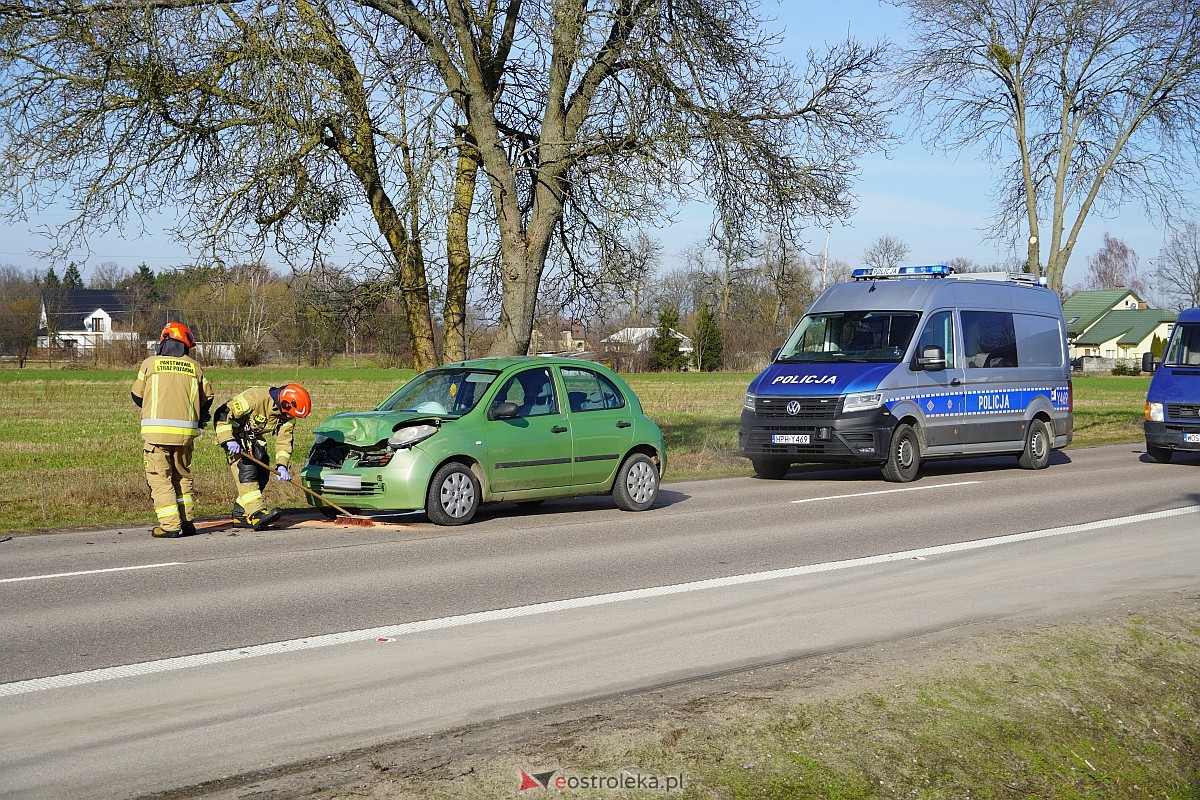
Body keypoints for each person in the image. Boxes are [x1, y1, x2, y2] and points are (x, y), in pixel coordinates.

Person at [131, 321, 215, 539]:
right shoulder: (194, 367)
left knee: (160, 479)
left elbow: (136, 396)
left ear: (164, 341)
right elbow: (207, 398)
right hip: (185, 435)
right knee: (182, 477)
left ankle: (169, 526)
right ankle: (187, 522)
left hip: (156, 435)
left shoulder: (150, 364)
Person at [213, 383, 312, 530]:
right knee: (246, 472)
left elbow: (284, 440)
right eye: (290, 414)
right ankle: (257, 513)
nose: (291, 418)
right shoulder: (255, 398)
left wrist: (282, 465)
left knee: (262, 474)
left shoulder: (288, 415)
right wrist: (228, 439)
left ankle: (241, 514)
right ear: (285, 404)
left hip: (253, 440)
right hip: (234, 436)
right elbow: (223, 413)